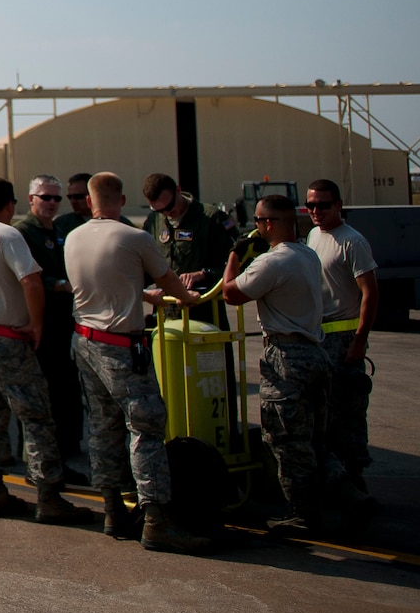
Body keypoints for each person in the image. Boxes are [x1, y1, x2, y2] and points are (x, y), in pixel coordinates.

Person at [65, 171, 212, 553]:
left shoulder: (75, 237)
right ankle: (157, 519)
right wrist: (186, 298)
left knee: (103, 428)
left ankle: (113, 510)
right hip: (120, 346)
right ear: (122, 198)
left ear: (91, 199)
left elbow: (108, 282)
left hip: (84, 340)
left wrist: (145, 297)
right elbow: (171, 282)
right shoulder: (134, 237)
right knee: (146, 429)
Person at [0, 177, 86, 523]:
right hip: (5, 336)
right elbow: (30, 280)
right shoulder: (7, 234)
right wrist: (37, 324)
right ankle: (48, 494)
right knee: (37, 415)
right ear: (11, 204)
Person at [224, 193, 336, 533]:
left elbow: (231, 292)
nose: (256, 228)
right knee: (315, 436)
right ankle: (340, 500)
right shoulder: (307, 255)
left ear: (268, 224)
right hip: (316, 351)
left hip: (286, 357)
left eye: (258, 222)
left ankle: (304, 514)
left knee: (286, 440)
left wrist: (235, 253)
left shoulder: (272, 262)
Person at [305, 178, 378, 506]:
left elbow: (370, 293)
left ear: (338, 206)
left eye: (322, 205)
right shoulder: (313, 236)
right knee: (322, 413)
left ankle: (356, 478)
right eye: (310, 205)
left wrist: (359, 341)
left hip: (344, 337)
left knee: (347, 411)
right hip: (319, 336)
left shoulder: (352, 241)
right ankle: (335, 482)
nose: (316, 211)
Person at [15, 174, 85, 470]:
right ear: (31, 199)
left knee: (66, 386)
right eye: (46, 197)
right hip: (40, 319)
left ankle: (67, 442)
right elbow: (25, 277)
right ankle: (36, 452)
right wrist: (55, 283)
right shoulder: (22, 233)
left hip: (63, 320)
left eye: (57, 198)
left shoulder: (60, 230)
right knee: (38, 389)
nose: (53, 203)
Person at [142, 172, 237, 323]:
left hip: (204, 312)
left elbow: (239, 261)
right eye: (159, 210)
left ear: (178, 190)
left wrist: (203, 274)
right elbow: (146, 264)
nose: (167, 213)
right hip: (166, 314)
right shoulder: (154, 221)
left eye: (170, 207)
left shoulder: (212, 218)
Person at [55, 172, 95, 244]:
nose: (73, 201)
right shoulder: (61, 224)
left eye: (78, 197)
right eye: (70, 197)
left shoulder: (114, 221)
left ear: (92, 195)